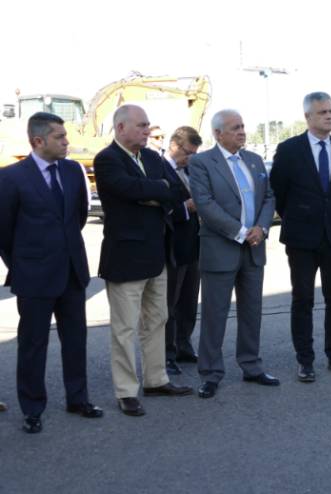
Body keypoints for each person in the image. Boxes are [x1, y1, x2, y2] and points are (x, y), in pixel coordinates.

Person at [0, 112, 103, 433]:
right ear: (38, 141)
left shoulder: (72, 171)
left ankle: (78, 399)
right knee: (33, 344)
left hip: (71, 271)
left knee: (75, 340)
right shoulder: (11, 177)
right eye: (59, 137)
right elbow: (4, 231)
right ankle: (32, 409)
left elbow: (78, 216)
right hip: (34, 276)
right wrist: (23, 264)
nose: (66, 142)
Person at [94, 104, 193, 417]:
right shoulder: (107, 159)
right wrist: (156, 190)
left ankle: (156, 380)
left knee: (157, 319)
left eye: (148, 125)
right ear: (121, 127)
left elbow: (176, 191)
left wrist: (152, 193)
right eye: (141, 125)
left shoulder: (152, 157)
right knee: (124, 329)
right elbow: (126, 189)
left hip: (157, 254)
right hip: (125, 258)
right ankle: (126, 391)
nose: (147, 130)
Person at [270, 92, 331, 382]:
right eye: (322, 112)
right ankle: (305, 359)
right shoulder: (289, 150)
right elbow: (279, 192)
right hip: (301, 238)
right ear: (308, 117)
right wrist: (301, 216)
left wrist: (328, 215)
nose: (329, 116)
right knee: (303, 299)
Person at [188, 109, 278, 399]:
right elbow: (205, 204)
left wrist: (261, 228)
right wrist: (240, 232)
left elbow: (268, 197)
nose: (241, 132)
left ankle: (251, 365)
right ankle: (210, 373)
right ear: (218, 134)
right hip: (221, 249)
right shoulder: (201, 162)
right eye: (234, 128)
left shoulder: (254, 160)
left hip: (254, 248)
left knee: (252, 311)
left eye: (242, 126)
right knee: (215, 314)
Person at [162, 126, 203, 375]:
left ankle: (184, 345)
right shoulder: (160, 168)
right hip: (172, 248)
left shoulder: (189, 170)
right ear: (174, 146)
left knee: (188, 302)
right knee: (169, 304)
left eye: (194, 154)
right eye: (188, 152)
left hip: (193, 246)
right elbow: (162, 208)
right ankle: (166, 354)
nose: (190, 158)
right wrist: (186, 207)